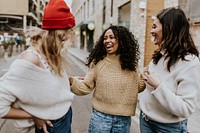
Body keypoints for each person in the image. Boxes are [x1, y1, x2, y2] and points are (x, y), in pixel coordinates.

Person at [0, 0, 75, 133]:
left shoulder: (47, 52)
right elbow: (1, 106)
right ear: (54, 35)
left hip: (64, 116)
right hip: (52, 125)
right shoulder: (30, 59)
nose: (63, 44)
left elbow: (42, 81)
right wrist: (33, 115)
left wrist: (67, 80)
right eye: (62, 39)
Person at [69, 25, 146, 133]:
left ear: (122, 40)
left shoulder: (131, 65)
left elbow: (137, 87)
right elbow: (86, 86)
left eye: (111, 37)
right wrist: (71, 81)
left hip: (123, 120)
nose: (107, 41)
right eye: (105, 38)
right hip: (100, 118)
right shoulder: (98, 62)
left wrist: (145, 76)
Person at [139, 7, 200, 133]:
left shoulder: (190, 62)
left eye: (154, 27)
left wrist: (158, 85)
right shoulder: (161, 54)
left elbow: (186, 109)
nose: (151, 31)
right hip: (145, 121)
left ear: (168, 29)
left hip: (168, 128)